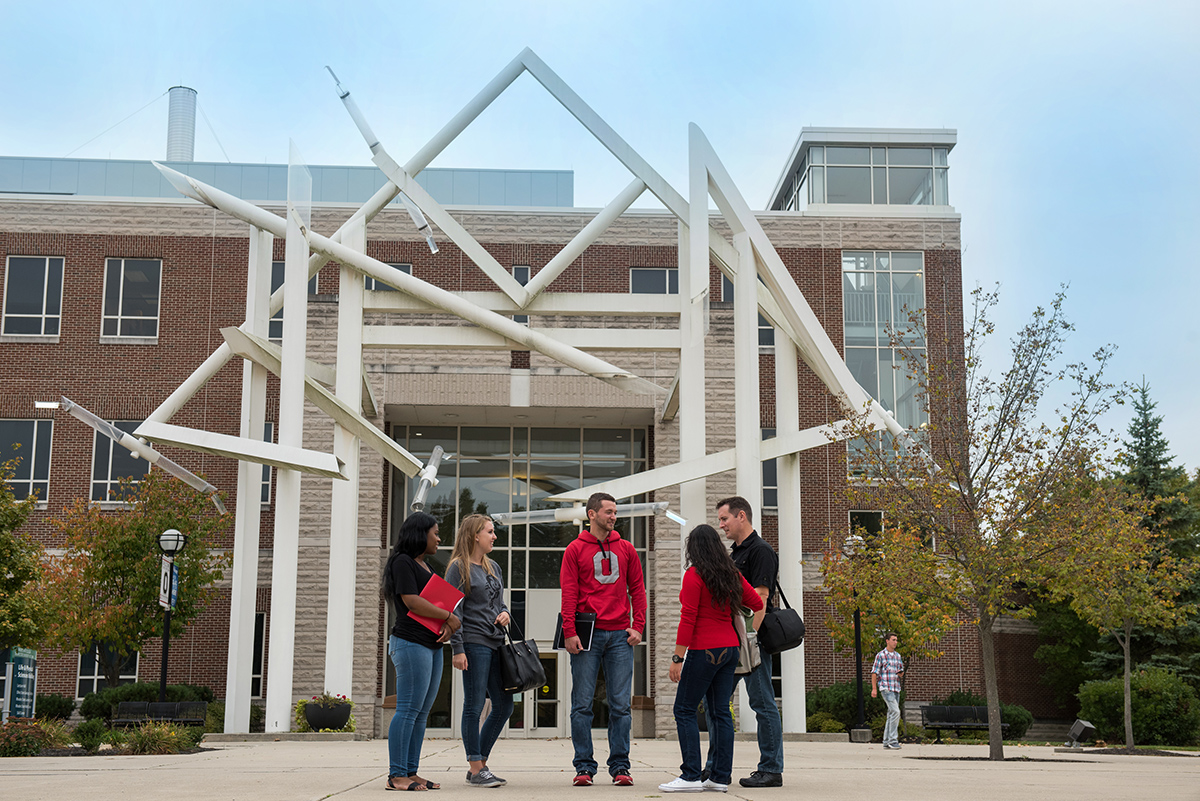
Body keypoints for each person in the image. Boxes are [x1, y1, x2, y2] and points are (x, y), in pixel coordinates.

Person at [659, 525, 764, 793]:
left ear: (693, 548)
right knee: (720, 713)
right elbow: (757, 603)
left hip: (704, 650)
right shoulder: (731, 574)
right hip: (730, 649)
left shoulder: (694, 575)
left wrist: (677, 657)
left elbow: (688, 618)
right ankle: (719, 777)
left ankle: (691, 775)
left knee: (683, 710)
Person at [560, 492, 647, 787]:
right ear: (592, 514)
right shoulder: (574, 549)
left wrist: (639, 626)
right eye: (608, 512)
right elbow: (569, 593)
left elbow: (638, 590)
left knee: (621, 705)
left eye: (615, 512)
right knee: (582, 704)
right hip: (588, 636)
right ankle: (584, 767)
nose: (614, 516)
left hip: (621, 636)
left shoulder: (626, 549)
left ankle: (621, 767)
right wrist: (569, 631)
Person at [703, 496, 784, 788]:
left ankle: (771, 769)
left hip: (751, 642)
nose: (721, 525)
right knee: (715, 701)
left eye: (724, 519)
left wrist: (748, 640)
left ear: (741, 516)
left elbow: (760, 599)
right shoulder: (734, 553)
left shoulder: (761, 551)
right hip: (729, 640)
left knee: (762, 703)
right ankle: (714, 767)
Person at [382, 511, 460, 791]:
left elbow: (437, 606)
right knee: (407, 710)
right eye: (435, 533)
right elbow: (412, 602)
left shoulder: (426, 566)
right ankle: (396, 775)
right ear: (420, 533)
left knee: (421, 711)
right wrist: (448, 616)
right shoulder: (402, 562)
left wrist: (449, 625)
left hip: (432, 645)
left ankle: (411, 771)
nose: (439, 539)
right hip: (410, 643)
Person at [445, 514, 514, 788]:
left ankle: (480, 763)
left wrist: (506, 612)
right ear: (475, 535)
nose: (494, 536)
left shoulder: (493, 566)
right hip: (474, 643)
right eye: (490, 531)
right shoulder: (457, 568)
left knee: (504, 705)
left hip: (497, 642)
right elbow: (452, 611)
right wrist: (457, 648)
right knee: (473, 705)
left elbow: (500, 602)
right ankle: (475, 767)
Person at [871, 632, 905, 750]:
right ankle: (893, 740)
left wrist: (901, 673)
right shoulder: (881, 655)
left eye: (896, 640)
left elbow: (901, 671)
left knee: (891, 714)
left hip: (896, 688)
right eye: (893, 640)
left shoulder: (898, 656)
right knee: (896, 712)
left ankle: (886, 741)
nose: (895, 642)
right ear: (887, 641)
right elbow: (874, 672)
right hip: (886, 688)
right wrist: (874, 689)